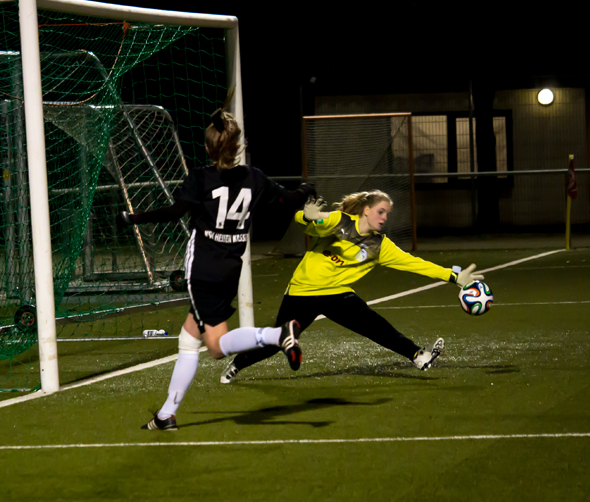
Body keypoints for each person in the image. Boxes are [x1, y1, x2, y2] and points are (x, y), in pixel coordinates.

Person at [117, 102, 315, 430]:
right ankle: (166, 415)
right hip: (230, 269)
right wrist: (305, 191)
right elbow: (288, 201)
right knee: (189, 338)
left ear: (209, 148)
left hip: (202, 270)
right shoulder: (255, 178)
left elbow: (174, 211)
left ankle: (279, 334)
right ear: (238, 147)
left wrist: (134, 218)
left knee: (216, 347)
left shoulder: (201, 177)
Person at [219, 190, 485, 383]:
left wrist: (453, 276)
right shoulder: (338, 221)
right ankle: (237, 364)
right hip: (303, 291)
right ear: (366, 210)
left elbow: (414, 263)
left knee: (374, 325)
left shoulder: (380, 245)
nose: (384, 217)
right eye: (381, 212)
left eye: (387, 214)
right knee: (278, 342)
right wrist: (307, 217)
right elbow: (312, 227)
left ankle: (417, 355)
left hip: (338, 295)